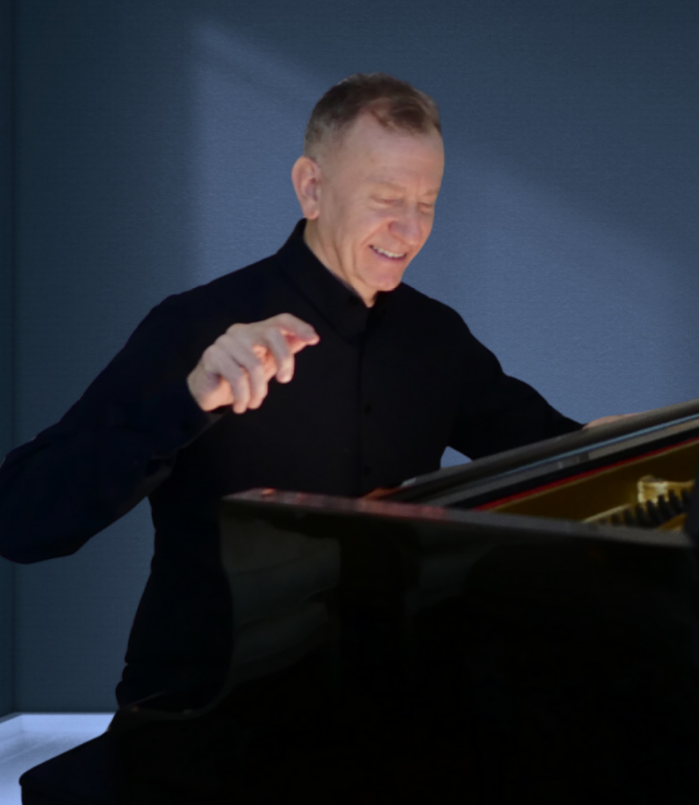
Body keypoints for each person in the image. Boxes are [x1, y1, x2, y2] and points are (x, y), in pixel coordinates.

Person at [0, 73, 601, 710]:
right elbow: (22, 521)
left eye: (427, 202)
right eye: (386, 197)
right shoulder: (197, 326)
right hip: (205, 717)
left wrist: (632, 444)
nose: (409, 229)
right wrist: (187, 400)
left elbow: (558, 455)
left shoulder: (436, 336)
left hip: (384, 710)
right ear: (311, 188)